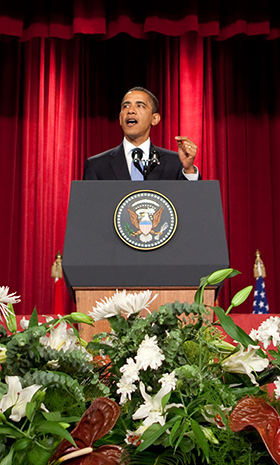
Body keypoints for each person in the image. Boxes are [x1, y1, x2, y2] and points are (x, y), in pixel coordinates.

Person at [83, 87, 200, 181]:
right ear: (120, 118)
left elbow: (194, 204)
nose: (130, 111)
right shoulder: (97, 165)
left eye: (140, 105)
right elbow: (89, 208)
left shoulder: (175, 162)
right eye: (126, 106)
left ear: (155, 119)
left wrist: (189, 169)